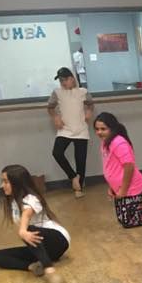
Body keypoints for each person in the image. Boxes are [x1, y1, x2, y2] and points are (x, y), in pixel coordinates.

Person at [0, 164, 69, 283]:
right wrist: (24, 232)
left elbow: (26, 215)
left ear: (16, 182)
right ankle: (33, 267)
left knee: (28, 230)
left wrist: (22, 231)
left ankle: (50, 270)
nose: (2, 185)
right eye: (2, 182)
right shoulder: (12, 202)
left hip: (58, 240)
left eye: (6, 182)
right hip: (41, 247)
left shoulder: (31, 199)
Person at [93, 112, 142, 228]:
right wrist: (112, 187)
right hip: (121, 188)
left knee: (128, 221)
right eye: (97, 129)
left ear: (112, 128)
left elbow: (129, 166)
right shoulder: (105, 143)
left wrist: (123, 190)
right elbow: (111, 167)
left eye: (103, 129)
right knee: (123, 219)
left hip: (132, 188)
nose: (99, 132)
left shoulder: (118, 142)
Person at [48, 66, 93, 199]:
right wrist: (55, 117)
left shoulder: (83, 91)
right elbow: (50, 107)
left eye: (64, 80)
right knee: (57, 153)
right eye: (60, 81)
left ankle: (78, 188)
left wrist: (89, 112)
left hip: (81, 130)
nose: (62, 83)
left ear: (72, 79)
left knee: (80, 160)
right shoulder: (57, 92)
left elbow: (90, 104)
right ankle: (73, 177)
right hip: (65, 130)